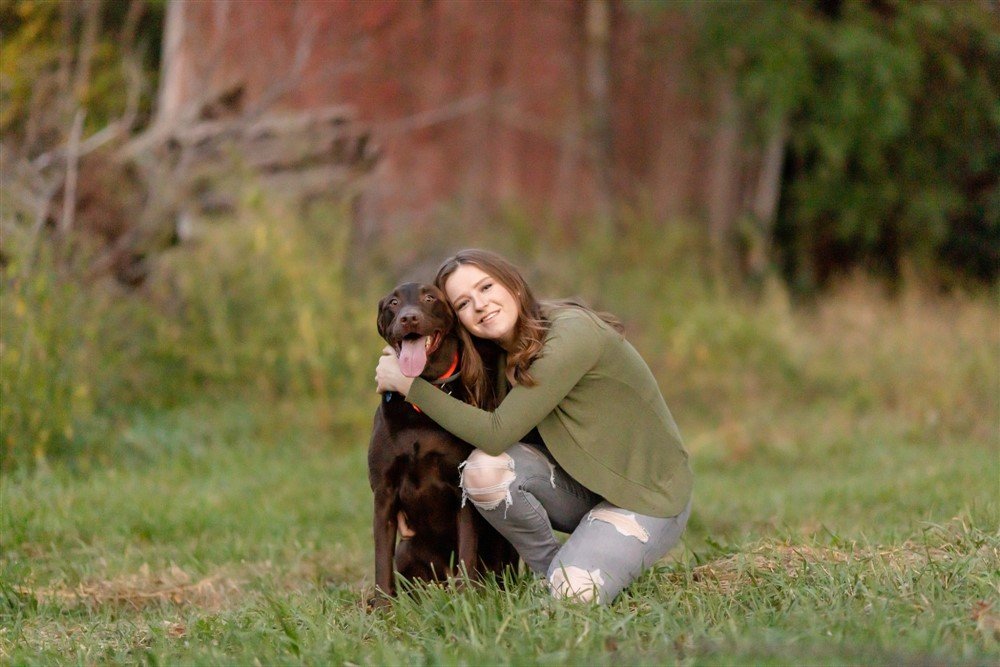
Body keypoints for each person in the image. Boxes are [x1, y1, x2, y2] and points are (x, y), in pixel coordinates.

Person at [375, 249, 692, 604]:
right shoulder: (490, 354)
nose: (480, 305)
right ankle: (553, 570)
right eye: (464, 303)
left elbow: (496, 433)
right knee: (484, 471)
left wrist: (408, 386)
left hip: (645, 496)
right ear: (456, 319)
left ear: (513, 282)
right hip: (581, 485)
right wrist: (410, 502)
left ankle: (570, 578)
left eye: (487, 287)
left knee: (573, 597)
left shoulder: (572, 334)